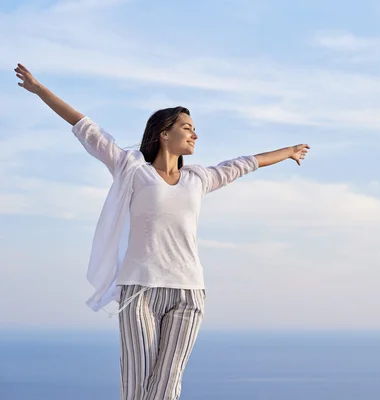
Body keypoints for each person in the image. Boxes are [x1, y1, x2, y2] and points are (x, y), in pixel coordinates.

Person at [14, 63, 309, 400]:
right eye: (187, 127)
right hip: (140, 291)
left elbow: (244, 163)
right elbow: (85, 126)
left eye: (195, 128)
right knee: (138, 388)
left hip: (189, 294)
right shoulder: (132, 168)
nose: (195, 134)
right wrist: (40, 90)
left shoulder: (199, 178)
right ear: (163, 133)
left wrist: (287, 152)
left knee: (167, 388)